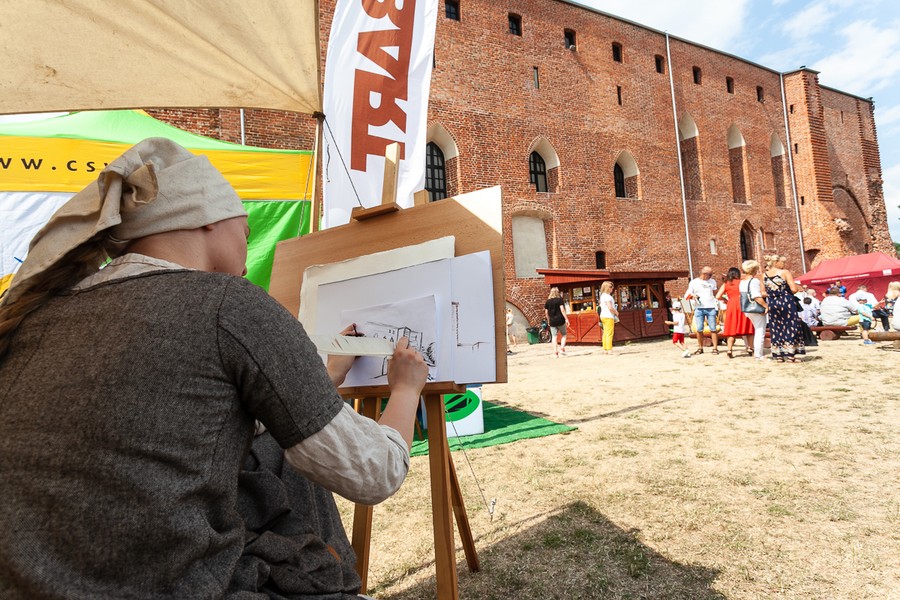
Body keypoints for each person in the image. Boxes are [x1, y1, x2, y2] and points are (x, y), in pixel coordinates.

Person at [0, 138, 429, 599]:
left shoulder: (40, 316)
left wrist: (322, 381)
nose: (246, 252)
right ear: (206, 218)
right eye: (245, 232)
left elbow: (172, 420)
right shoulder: (230, 304)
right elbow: (373, 473)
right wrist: (404, 389)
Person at [763, 254, 805, 362]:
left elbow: (763, 292)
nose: (784, 264)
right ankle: (790, 355)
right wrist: (782, 292)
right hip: (786, 301)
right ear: (776, 262)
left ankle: (778, 355)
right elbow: (794, 289)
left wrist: (773, 293)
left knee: (776, 327)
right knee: (790, 326)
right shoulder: (784, 272)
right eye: (782, 262)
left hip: (772, 303)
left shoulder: (764, 275)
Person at [716, 266, 754, 358]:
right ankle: (750, 347)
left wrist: (725, 300)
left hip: (731, 304)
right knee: (748, 326)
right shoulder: (742, 283)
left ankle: (729, 349)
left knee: (731, 327)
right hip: (742, 303)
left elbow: (717, 296)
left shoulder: (726, 284)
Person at [684, 266, 719, 355]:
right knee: (699, 329)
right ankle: (700, 348)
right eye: (710, 274)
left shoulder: (712, 282)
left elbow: (716, 293)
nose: (711, 276)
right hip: (699, 308)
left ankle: (715, 348)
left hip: (711, 307)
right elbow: (687, 294)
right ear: (704, 274)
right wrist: (693, 296)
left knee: (713, 328)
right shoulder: (694, 282)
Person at [739, 260, 768, 361]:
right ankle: (758, 354)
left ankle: (758, 353)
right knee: (760, 331)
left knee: (757, 330)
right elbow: (756, 296)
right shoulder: (754, 281)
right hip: (756, 308)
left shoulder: (742, 282)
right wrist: (766, 306)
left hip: (747, 309)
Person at [544, 287, 569, 357]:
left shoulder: (548, 301)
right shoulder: (559, 300)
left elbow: (546, 312)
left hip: (552, 321)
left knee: (554, 337)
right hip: (560, 320)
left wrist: (548, 320)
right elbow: (562, 310)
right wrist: (566, 319)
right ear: (557, 292)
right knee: (564, 334)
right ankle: (562, 348)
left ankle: (555, 353)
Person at [598, 280, 619, 355]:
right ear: (607, 288)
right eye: (610, 287)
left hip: (603, 315)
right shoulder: (607, 297)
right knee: (609, 333)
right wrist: (616, 312)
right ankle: (609, 349)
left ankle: (605, 349)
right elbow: (610, 307)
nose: (612, 288)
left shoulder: (602, 296)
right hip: (608, 316)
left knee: (605, 333)